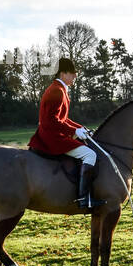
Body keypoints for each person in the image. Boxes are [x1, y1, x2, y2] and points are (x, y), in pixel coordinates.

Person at [28, 57, 104, 210]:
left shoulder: (59, 89)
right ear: (63, 74)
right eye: (72, 74)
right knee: (90, 155)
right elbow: (51, 121)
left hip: (52, 135)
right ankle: (84, 198)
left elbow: (63, 119)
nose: (75, 77)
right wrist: (74, 131)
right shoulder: (57, 91)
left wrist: (80, 128)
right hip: (52, 138)